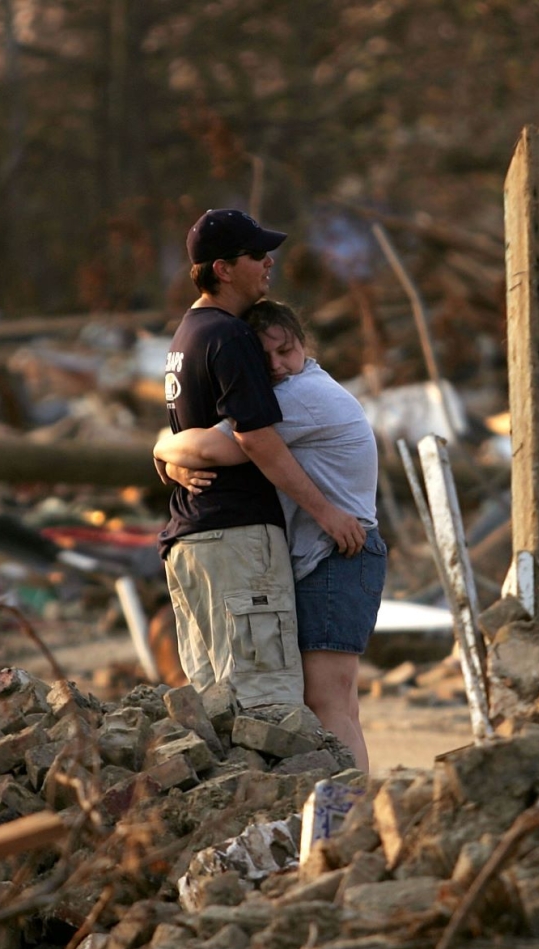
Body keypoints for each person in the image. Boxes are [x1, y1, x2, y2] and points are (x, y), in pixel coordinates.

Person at [154, 300, 385, 771]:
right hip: (323, 554)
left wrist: (161, 447)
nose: (278, 366)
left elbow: (213, 447)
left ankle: (350, 811)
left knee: (329, 703)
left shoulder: (303, 396)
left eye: (287, 352)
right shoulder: (298, 389)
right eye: (266, 359)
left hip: (337, 554)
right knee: (329, 703)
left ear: (305, 346)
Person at [156, 209, 366, 714]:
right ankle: (301, 798)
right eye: (256, 255)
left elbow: (187, 432)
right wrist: (326, 512)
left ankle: (232, 797)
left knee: (218, 707)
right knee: (266, 707)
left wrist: (162, 449)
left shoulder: (186, 337)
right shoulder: (231, 337)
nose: (269, 262)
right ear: (224, 269)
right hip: (238, 541)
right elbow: (256, 439)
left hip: (189, 540)